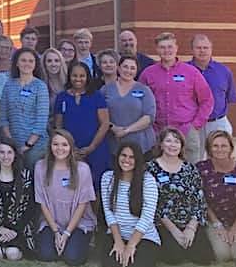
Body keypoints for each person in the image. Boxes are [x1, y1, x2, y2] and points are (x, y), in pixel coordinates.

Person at [140, 31, 214, 165]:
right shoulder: (148, 74)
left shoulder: (191, 72)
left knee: (190, 170)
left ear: (176, 48)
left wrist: (195, 125)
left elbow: (207, 100)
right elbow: (140, 101)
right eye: (162, 47)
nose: (166, 50)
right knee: (158, 170)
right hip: (158, 132)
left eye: (170, 47)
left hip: (186, 131)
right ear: (157, 49)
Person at [145, 127, 214, 265]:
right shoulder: (150, 168)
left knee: (204, 258)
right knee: (174, 258)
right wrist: (174, 231)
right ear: (161, 144)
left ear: (182, 146)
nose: (172, 145)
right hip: (165, 222)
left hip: (189, 221)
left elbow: (199, 199)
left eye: (176, 141)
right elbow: (151, 203)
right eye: (168, 141)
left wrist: (191, 228)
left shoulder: (190, 168)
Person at [34, 130, 97, 266]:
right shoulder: (40, 167)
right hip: (52, 222)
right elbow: (42, 202)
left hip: (78, 222)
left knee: (72, 258)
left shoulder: (82, 169)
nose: (60, 148)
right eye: (55, 144)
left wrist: (67, 233)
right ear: (50, 146)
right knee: (46, 255)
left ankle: (77, 242)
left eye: (64, 145)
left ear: (71, 147)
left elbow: (82, 204)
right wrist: (56, 232)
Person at [100, 142, 161, 267]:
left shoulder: (148, 180)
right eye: (124, 155)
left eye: (132, 157)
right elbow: (108, 212)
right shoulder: (107, 178)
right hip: (117, 233)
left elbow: (147, 216)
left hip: (143, 236)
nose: (127, 160)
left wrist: (131, 245)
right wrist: (118, 241)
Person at [54, 62, 111, 190]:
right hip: (69, 150)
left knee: (96, 186)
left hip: (96, 149)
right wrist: (69, 148)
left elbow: (105, 123)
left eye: (82, 76)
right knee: (72, 186)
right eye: (74, 76)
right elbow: (59, 126)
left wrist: (92, 147)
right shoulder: (62, 97)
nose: (78, 79)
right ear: (69, 77)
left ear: (87, 77)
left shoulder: (97, 96)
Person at [0, 139, 36, 260]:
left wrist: (15, 230)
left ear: (15, 154)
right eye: (2, 152)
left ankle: (10, 247)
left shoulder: (25, 175)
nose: (5, 156)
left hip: (18, 226)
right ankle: (0, 247)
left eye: (9, 152)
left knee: (12, 254)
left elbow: (31, 206)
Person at [196, 130, 236, 262]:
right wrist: (217, 224)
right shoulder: (201, 169)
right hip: (214, 220)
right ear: (209, 148)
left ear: (230, 148)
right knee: (222, 255)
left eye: (224, 146)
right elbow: (201, 200)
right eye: (215, 146)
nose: (220, 149)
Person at [0, 48, 50, 166]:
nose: (27, 64)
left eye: (31, 61)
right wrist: (11, 142)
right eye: (23, 60)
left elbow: (41, 120)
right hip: (12, 146)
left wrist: (27, 145)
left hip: (36, 147)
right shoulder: (9, 85)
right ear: (17, 63)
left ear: (35, 64)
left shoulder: (40, 86)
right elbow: (3, 116)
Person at [102, 54, 157, 156]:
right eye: (125, 67)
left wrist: (127, 130)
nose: (128, 70)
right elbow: (99, 114)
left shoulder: (144, 90)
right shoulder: (106, 89)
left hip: (141, 145)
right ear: (119, 68)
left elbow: (149, 117)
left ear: (136, 71)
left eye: (132, 68)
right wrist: (112, 127)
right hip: (114, 143)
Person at [189, 34, 236, 137]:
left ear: (211, 49)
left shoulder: (223, 71)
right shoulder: (184, 70)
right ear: (192, 50)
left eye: (205, 47)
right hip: (192, 124)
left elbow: (230, 98)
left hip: (218, 123)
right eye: (198, 48)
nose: (202, 51)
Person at [41, 47, 67, 117]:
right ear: (44, 64)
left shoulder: (69, 81)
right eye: (49, 61)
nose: (53, 64)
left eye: (56, 61)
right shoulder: (40, 84)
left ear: (61, 63)